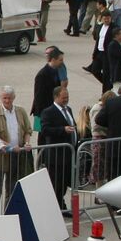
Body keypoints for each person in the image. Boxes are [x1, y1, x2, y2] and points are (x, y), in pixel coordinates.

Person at [0, 86, 34, 215]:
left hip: (16, 157)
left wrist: (27, 143)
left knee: (11, 189)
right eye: (4, 98)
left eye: (9, 98)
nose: (7, 101)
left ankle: (8, 215)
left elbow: (27, 130)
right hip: (0, 159)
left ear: (14, 98)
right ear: (1, 98)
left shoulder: (21, 111)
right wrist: (10, 147)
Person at [37, 85, 77, 214]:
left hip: (68, 154)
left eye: (67, 97)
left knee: (65, 182)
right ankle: (57, 207)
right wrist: (62, 130)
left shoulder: (68, 109)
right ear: (56, 97)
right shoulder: (48, 112)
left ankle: (61, 205)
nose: (66, 100)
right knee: (56, 183)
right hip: (56, 156)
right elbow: (45, 130)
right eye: (63, 97)